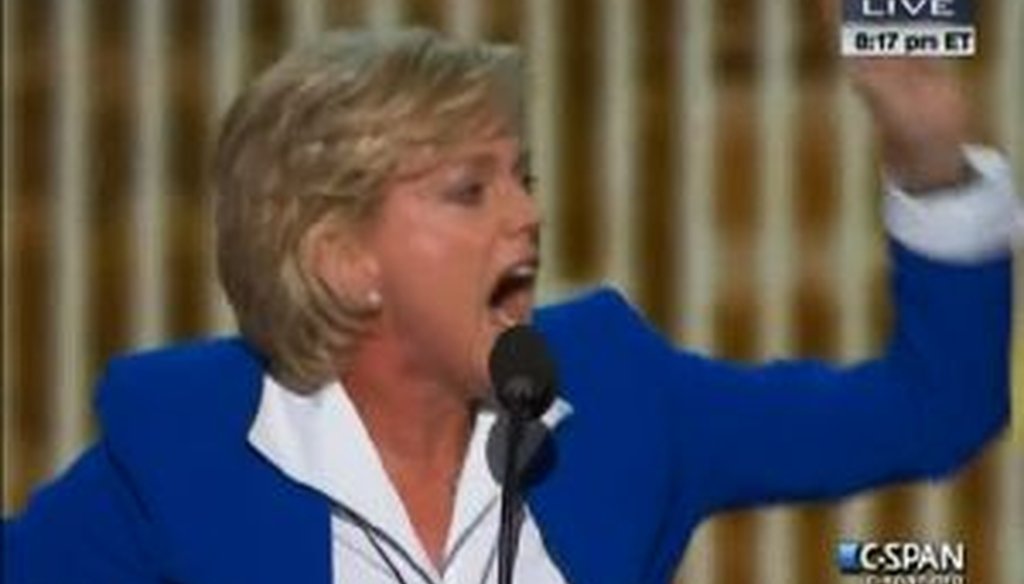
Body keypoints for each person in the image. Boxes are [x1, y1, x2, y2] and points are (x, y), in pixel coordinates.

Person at [3, 25, 1019, 584]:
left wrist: (929, 162)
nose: (527, 215)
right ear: (342, 255)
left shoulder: (622, 400)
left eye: (522, 177)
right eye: (469, 190)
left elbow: (932, 412)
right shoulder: (182, 456)